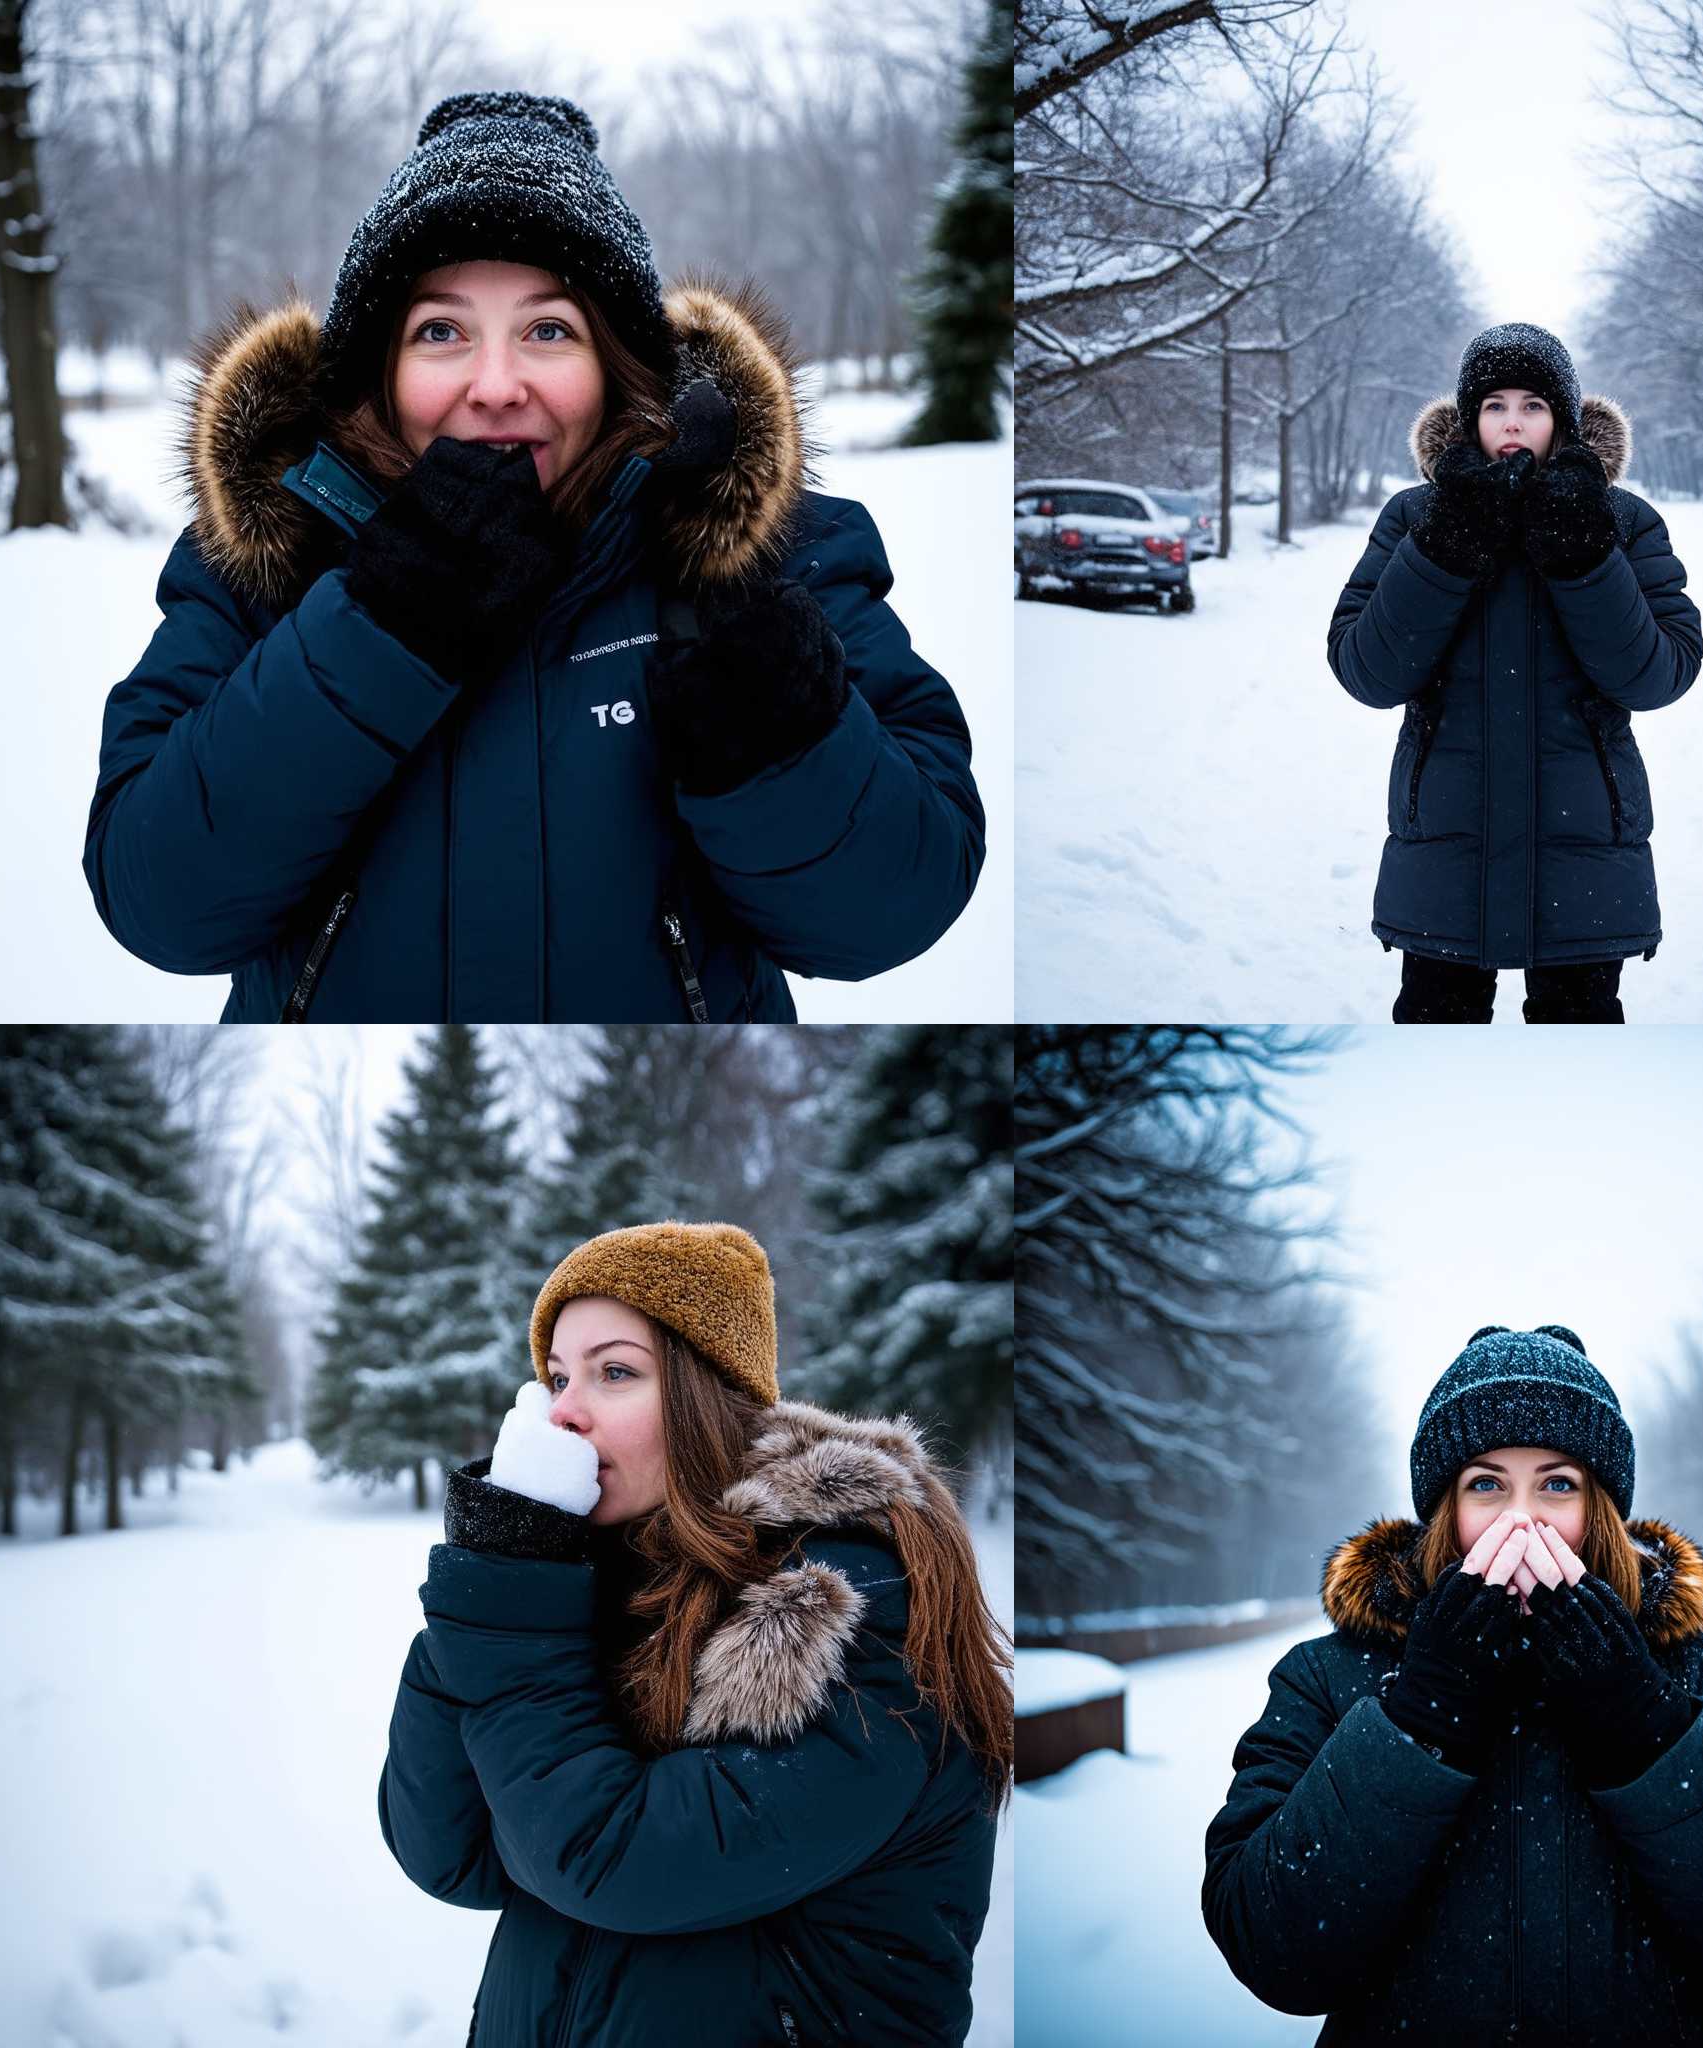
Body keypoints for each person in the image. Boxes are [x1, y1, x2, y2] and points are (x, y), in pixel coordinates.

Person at [83, 92, 984, 1022]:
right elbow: (160, 907)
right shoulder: (266, 561)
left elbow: (894, 914)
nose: (498, 386)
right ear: (377, 372)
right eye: (441, 331)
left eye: (549, 330)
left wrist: (781, 724)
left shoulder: (770, 554)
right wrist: (374, 627)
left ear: (618, 363)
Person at [379, 1219, 1010, 2047]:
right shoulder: (599, 1584)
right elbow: (451, 1853)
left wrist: (513, 1609)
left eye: (613, 1372)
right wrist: (494, 1584)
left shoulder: (843, 1603)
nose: (563, 1412)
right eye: (557, 1376)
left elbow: (621, 1861)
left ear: (710, 1396)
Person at [1203, 1324, 1703, 2041]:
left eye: (1556, 1484)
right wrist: (1419, 1718)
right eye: (1486, 1484)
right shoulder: (1328, 1678)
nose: (1521, 1519)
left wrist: (1646, 1725)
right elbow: (1274, 1954)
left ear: (1597, 1509)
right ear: (1445, 1510)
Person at [1327, 323, 1703, 1023]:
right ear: (1470, 418)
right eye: (1495, 404)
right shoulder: (1415, 517)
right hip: (1447, 851)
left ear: (1562, 416)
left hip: (1584, 852)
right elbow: (1367, 671)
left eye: (1533, 404)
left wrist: (1583, 556)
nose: (1513, 422)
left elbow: (1659, 674)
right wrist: (1445, 547)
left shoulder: (1622, 522)